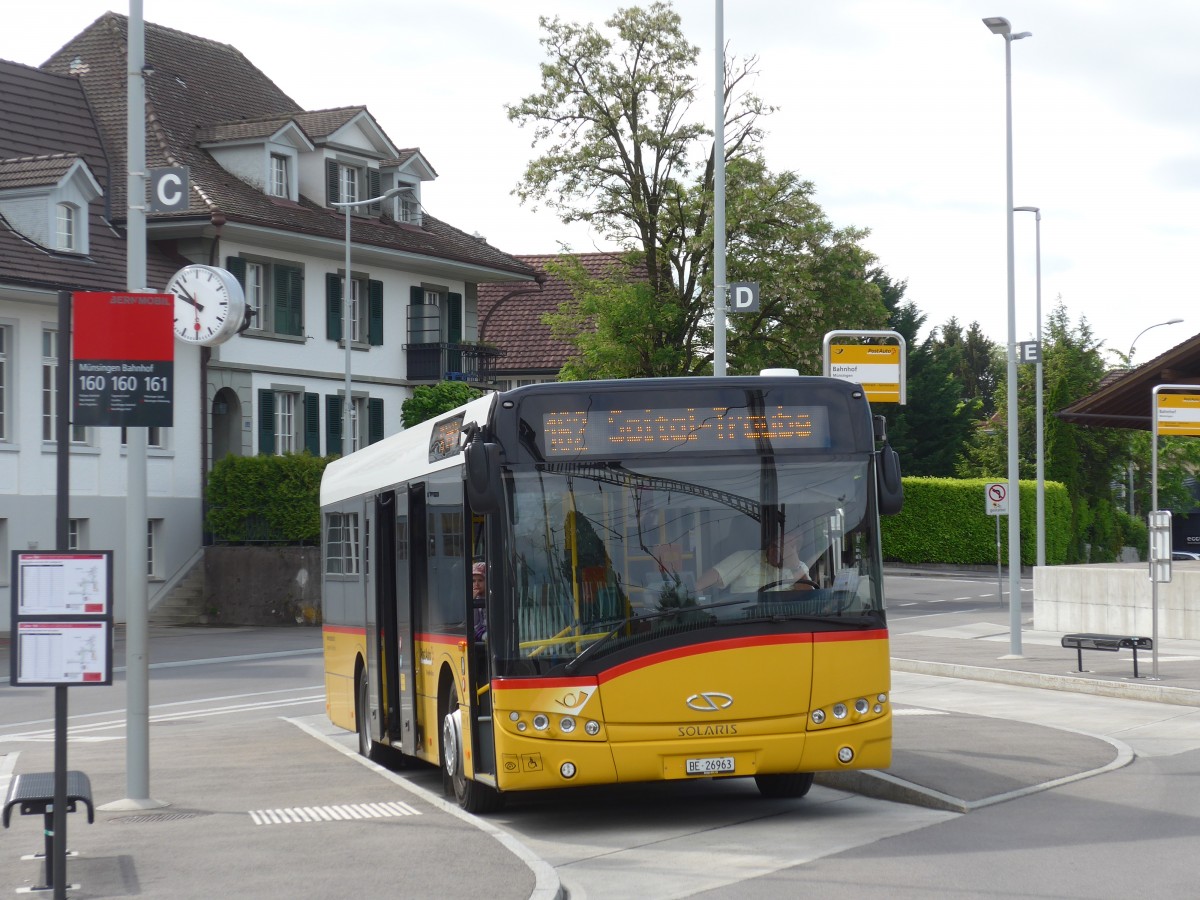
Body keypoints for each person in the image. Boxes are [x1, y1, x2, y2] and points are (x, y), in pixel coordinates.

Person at [695, 534, 816, 594]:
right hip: (745, 624)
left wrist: (794, 567)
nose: (789, 551)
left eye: (795, 546)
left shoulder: (800, 568)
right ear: (771, 543)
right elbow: (700, 584)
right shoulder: (744, 558)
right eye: (780, 545)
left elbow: (809, 601)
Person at [471, 561, 487, 640]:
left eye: (480, 580)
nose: (476, 584)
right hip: (477, 632)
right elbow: (473, 622)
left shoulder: (491, 597)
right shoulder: (474, 597)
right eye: (473, 581)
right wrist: (472, 601)